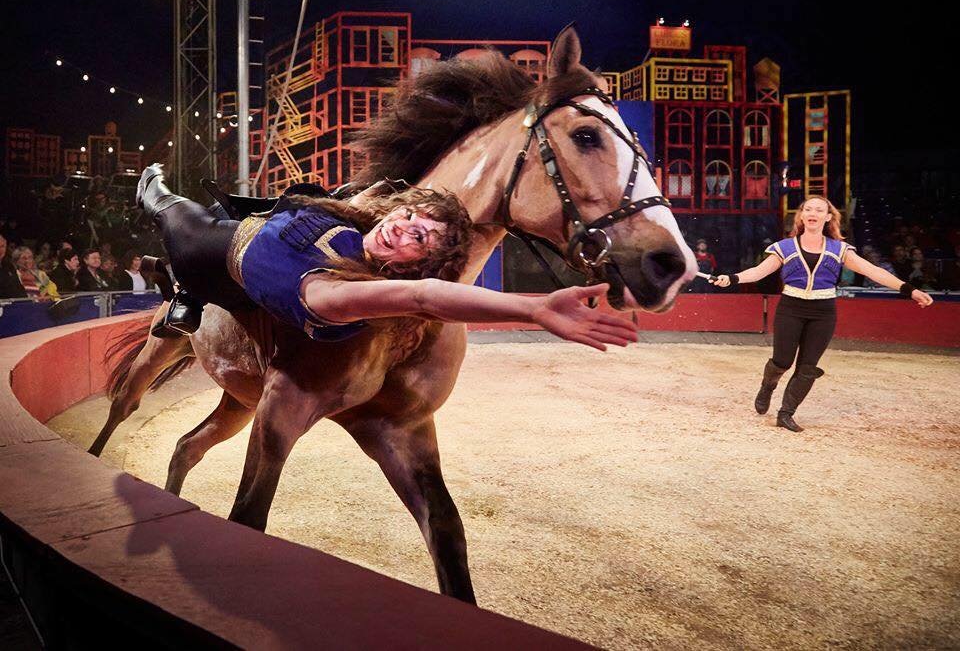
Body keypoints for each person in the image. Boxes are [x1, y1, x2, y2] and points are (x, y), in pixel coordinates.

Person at [137, 164, 636, 350]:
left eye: (419, 240)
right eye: (409, 217)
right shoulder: (364, 224)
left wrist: (533, 308)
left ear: (414, 264)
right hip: (268, 215)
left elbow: (426, 297)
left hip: (216, 251)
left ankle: (175, 264)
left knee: (172, 208)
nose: (402, 230)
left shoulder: (339, 297)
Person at [712, 196, 933, 432]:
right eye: (808, 209)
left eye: (819, 210)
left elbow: (873, 270)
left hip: (823, 312)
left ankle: (786, 413)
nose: (813, 213)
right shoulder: (784, 247)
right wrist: (732, 278)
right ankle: (768, 385)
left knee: (808, 367)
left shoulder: (839, 249)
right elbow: (758, 272)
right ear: (801, 216)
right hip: (791, 308)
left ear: (828, 217)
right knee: (783, 361)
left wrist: (909, 290)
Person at [0, 233, 28, 299]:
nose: (0, 250)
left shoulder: (9, 265)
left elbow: (18, 287)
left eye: (2, 246)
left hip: (16, 305)